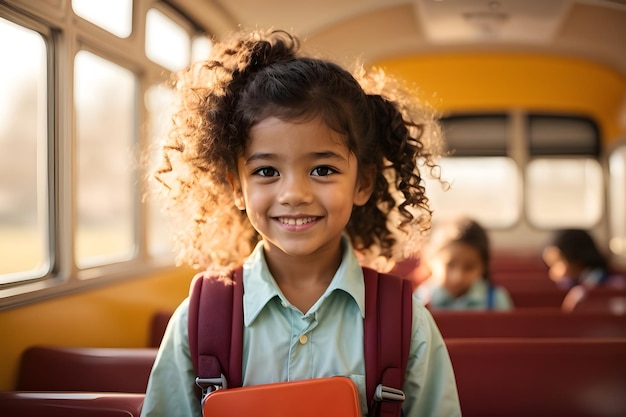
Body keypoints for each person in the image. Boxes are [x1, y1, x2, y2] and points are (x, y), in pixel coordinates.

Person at [141, 28, 461, 417]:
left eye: (323, 169)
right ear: (236, 187)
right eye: (266, 171)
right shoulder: (200, 320)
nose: (294, 193)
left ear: (362, 182)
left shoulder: (406, 323)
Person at [415, 217, 514, 310]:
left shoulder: (496, 300)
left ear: (483, 267)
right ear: (431, 260)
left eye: (469, 267)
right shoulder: (419, 300)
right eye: (450, 265)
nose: (458, 277)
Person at [542, 229, 626, 311]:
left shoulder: (614, 283)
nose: (552, 273)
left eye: (558, 264)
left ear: (576, 259)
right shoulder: (570, 284)